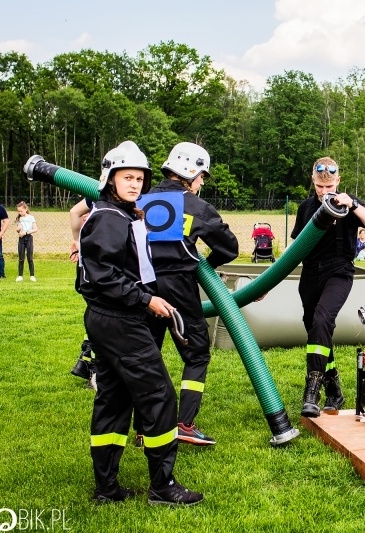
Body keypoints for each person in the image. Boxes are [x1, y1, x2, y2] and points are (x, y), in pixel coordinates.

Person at [78, 140, 202, 506]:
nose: (134, 184)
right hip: (119, 320)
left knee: (114, 400)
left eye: (139, 179)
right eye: (127, 177)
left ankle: (106, 488)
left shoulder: (121, 217)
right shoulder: (107, 220)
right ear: (109, 179)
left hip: (110, 319)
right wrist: (146, 299)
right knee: (159, 395)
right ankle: (163, 486)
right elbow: (104, 277)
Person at [144, 142, 239, 446]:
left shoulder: (141, 196)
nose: (201, 183)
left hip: (141, 285)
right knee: (196, 352)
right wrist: (205, 266)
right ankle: (184, 423)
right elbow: (230, 248)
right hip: (178, 285)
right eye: (201, 176)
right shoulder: (197, 206)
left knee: (147, 354)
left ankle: (147, 426)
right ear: (190, 172)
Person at [290, 156, 365, 417]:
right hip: (310, 274)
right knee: (315, 329)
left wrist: (352, 205)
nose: (324, 192)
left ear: (338, 182)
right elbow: (294, 250)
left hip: (339, 272)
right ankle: (335, 390)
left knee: (322, 320)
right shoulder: (305, 208)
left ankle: (312, 390)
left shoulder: (349, 204)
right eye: (320, 187)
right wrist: (266, 284)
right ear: (313, 181)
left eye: (329, 187)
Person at [14, 201, 38, 282]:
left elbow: (35, 229)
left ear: (26, 209)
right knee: (21, 258)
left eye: (21, 211)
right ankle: (20, 275)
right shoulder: (18, 218)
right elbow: (18, 228)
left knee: (29, 257)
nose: (20, 213)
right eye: (18, 211)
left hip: (29, 238)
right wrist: (18, 230)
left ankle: (32, 275)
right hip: (21, 239)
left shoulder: (31, 218)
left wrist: (26, 232)